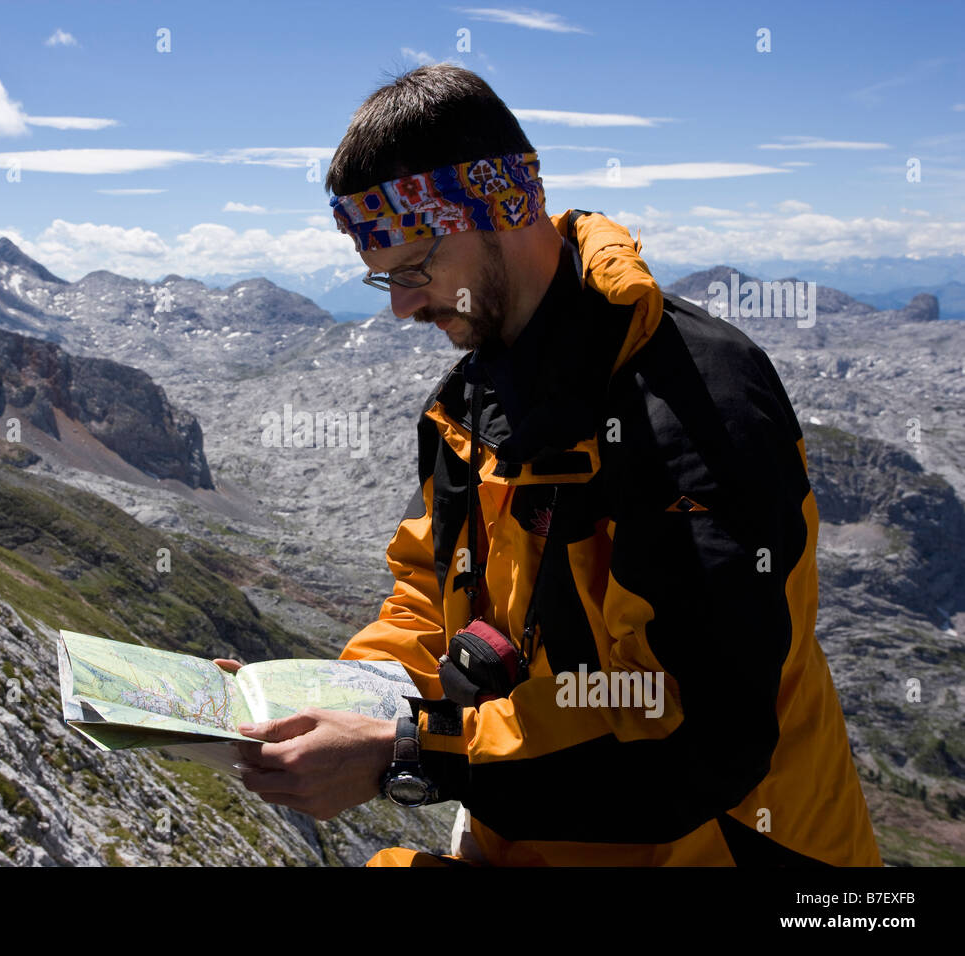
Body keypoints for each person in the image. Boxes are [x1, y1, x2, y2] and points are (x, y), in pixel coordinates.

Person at [222, 64, 881, 866]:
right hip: (541, 835)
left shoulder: (695, 407)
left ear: (502, 210)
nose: (399, 305)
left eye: (414, 266)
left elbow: (704, 745)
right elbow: (431, 598)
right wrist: (308, 703)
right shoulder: (469, 400)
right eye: (381, 274)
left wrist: (407, 755)